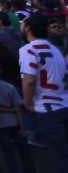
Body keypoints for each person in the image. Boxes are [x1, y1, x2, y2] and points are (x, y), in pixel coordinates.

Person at [19, 13, 67, 163]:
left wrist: (27, 103)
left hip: (46, 108)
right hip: (64, 102)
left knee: (57, 157)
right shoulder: (55, 50)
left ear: (28, 28)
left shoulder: (28, 49)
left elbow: (29, 81)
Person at [0, 58, 35, 173]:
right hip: (14, 122)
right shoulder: (9, 87)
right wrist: (22, 125)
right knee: (24, 153)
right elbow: (18, 108)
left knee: (8, 154)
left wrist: (7, 110)